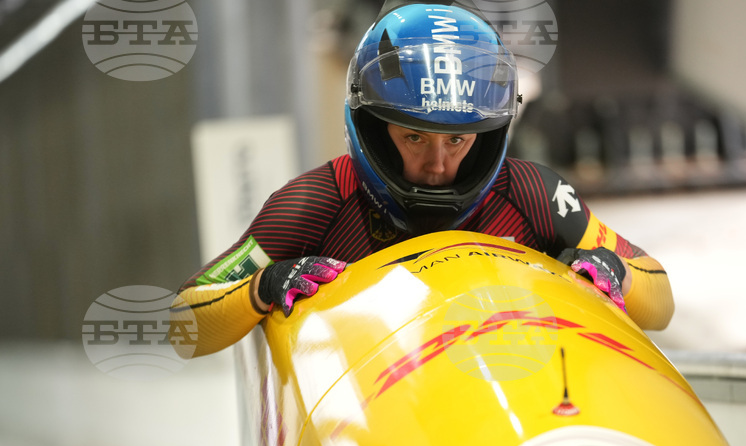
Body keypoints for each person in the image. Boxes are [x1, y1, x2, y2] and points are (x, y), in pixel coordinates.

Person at [174, 1, 673, 357]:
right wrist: (262, 288)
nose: (437, 165)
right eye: (414, 138)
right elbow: (184, 324)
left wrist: (618, 273)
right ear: (372, 126)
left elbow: (660, 299)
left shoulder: (533, 194)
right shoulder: (313, 202)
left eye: (458, 141)